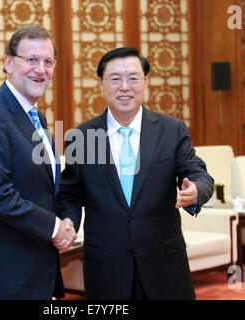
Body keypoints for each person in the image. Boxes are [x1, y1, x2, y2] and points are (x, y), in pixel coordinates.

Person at [56, 47, 214, 300]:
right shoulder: (82, 137)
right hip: (107, 269)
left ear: (145, 82)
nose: (125, 87)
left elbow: (199, 174)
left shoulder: (171, 130)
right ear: (101, 84)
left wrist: (195, 191)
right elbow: (69, 195)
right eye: (115, 79)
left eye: (133, 78)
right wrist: (68, 220)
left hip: (164, 267)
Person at [0, 25, 76, 300]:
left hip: (35, 273)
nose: (41, 69)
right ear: (9, 63)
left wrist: (67, 219)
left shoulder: (38, 118)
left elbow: (45, 188)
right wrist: (56, 228)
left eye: (48, 62)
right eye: (31, 60)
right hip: (1, 278)